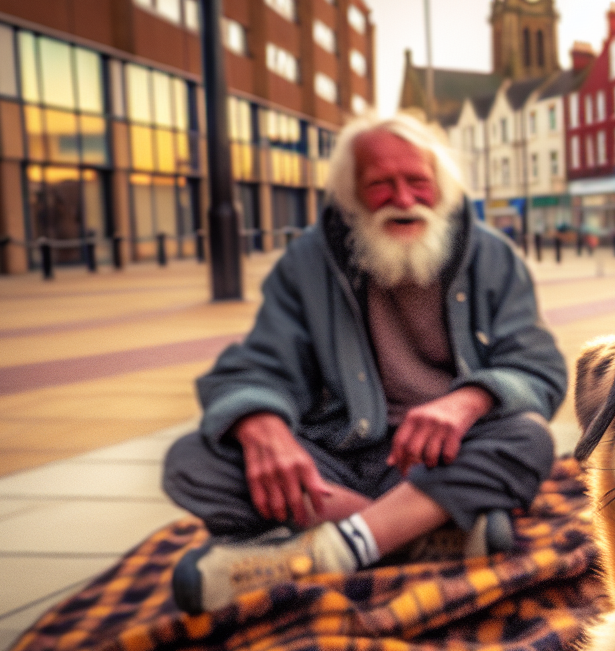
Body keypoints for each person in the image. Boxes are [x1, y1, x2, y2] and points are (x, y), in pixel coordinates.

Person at [164, 114, 567, 614]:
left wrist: (465, 401)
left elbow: (539, 369)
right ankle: (414, 535)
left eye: (418, 181)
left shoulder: (492, 257)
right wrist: (260, 426)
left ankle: (330, 550)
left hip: (443, 462)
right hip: (337, 462)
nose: (404, 199)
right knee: (194, 460)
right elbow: (258, 364)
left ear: (439, 186)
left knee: (526, 436)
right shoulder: (307, 263)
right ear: (352, 194)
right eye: (381, 185)